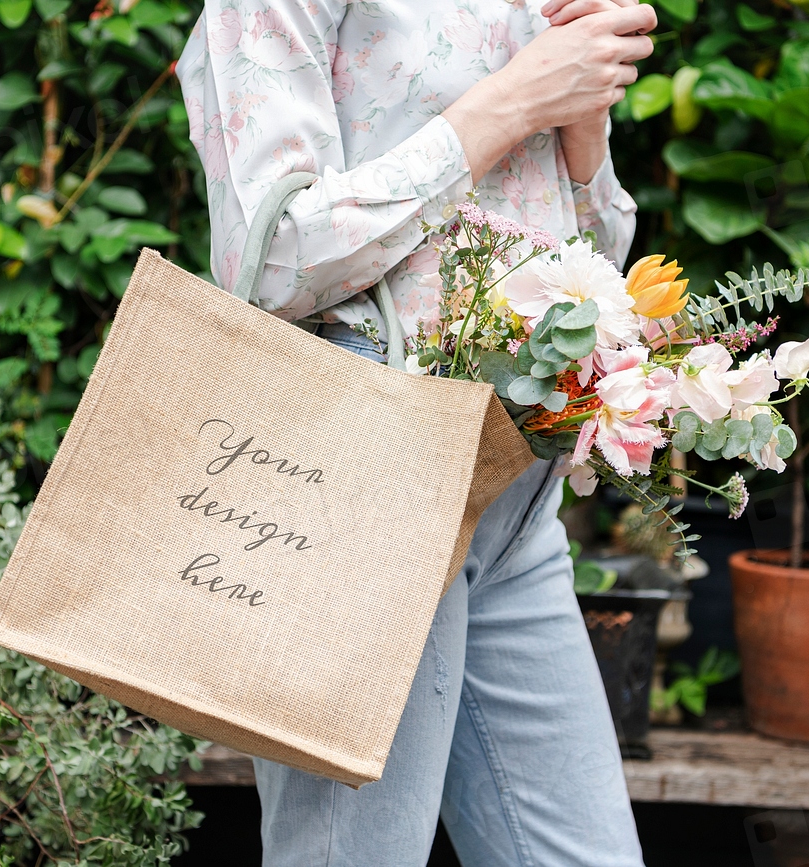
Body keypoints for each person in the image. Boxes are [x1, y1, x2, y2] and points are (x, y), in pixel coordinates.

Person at [177, 0, 656, 863]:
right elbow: (271, 252)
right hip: (365, 477)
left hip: (515, 492)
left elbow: (601, 255)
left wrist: (583, 126)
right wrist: (512, 102)